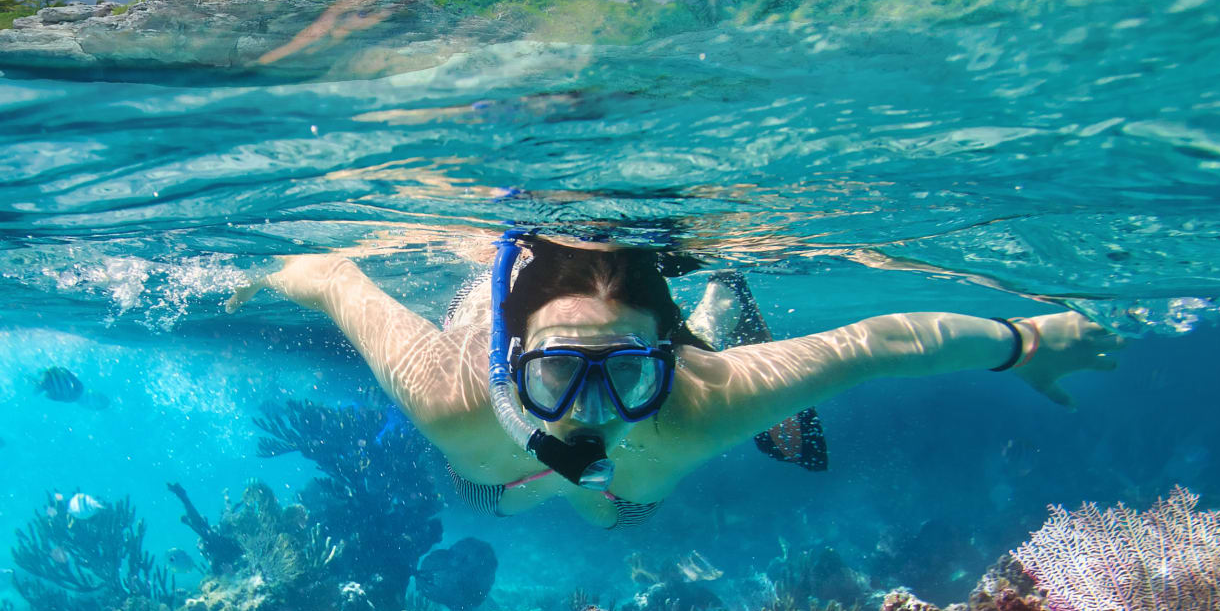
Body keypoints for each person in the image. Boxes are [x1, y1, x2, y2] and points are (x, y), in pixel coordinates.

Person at [226, 235, 1122, 529]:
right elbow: (337, 274)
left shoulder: (704, 398)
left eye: (624, 373)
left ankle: (715, 313)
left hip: (653, 428)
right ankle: (705, 325)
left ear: (668, 361)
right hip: (494, 476)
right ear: (512, 365)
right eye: (558, 373)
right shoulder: (448, 395)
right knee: (497, 491)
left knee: (617, 509)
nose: (587, 409)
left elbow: (878, 343)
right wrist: (267, 275)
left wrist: (1026, 339)